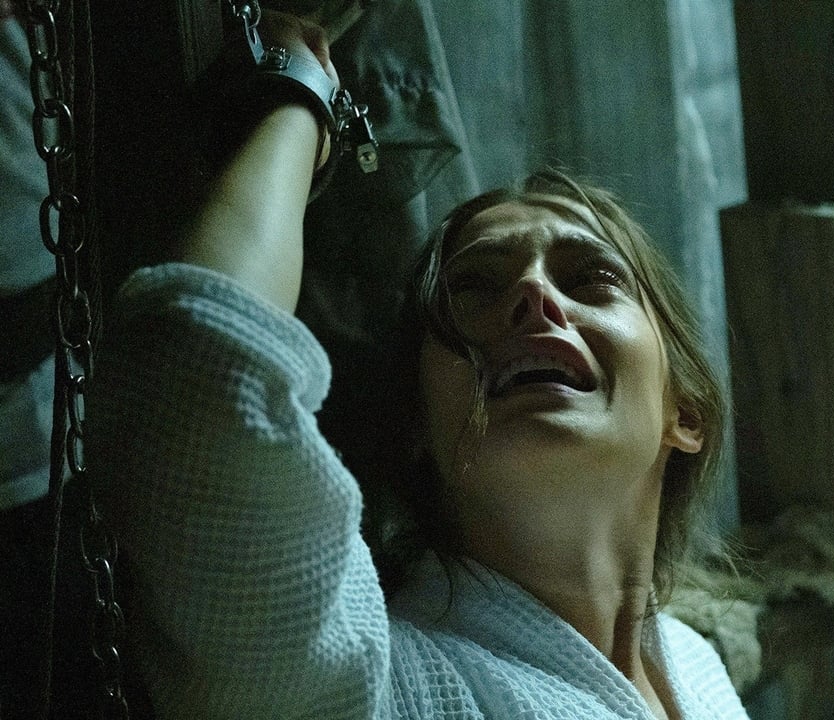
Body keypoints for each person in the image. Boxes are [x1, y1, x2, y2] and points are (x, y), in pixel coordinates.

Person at [87, 11, 749, 720]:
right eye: (475, 288)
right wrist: (298, 97)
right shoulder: (372, 684)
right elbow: (199, 377)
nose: (533, 294)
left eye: (592, 278)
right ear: (417, 423)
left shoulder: (696, 669)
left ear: (685, 412)